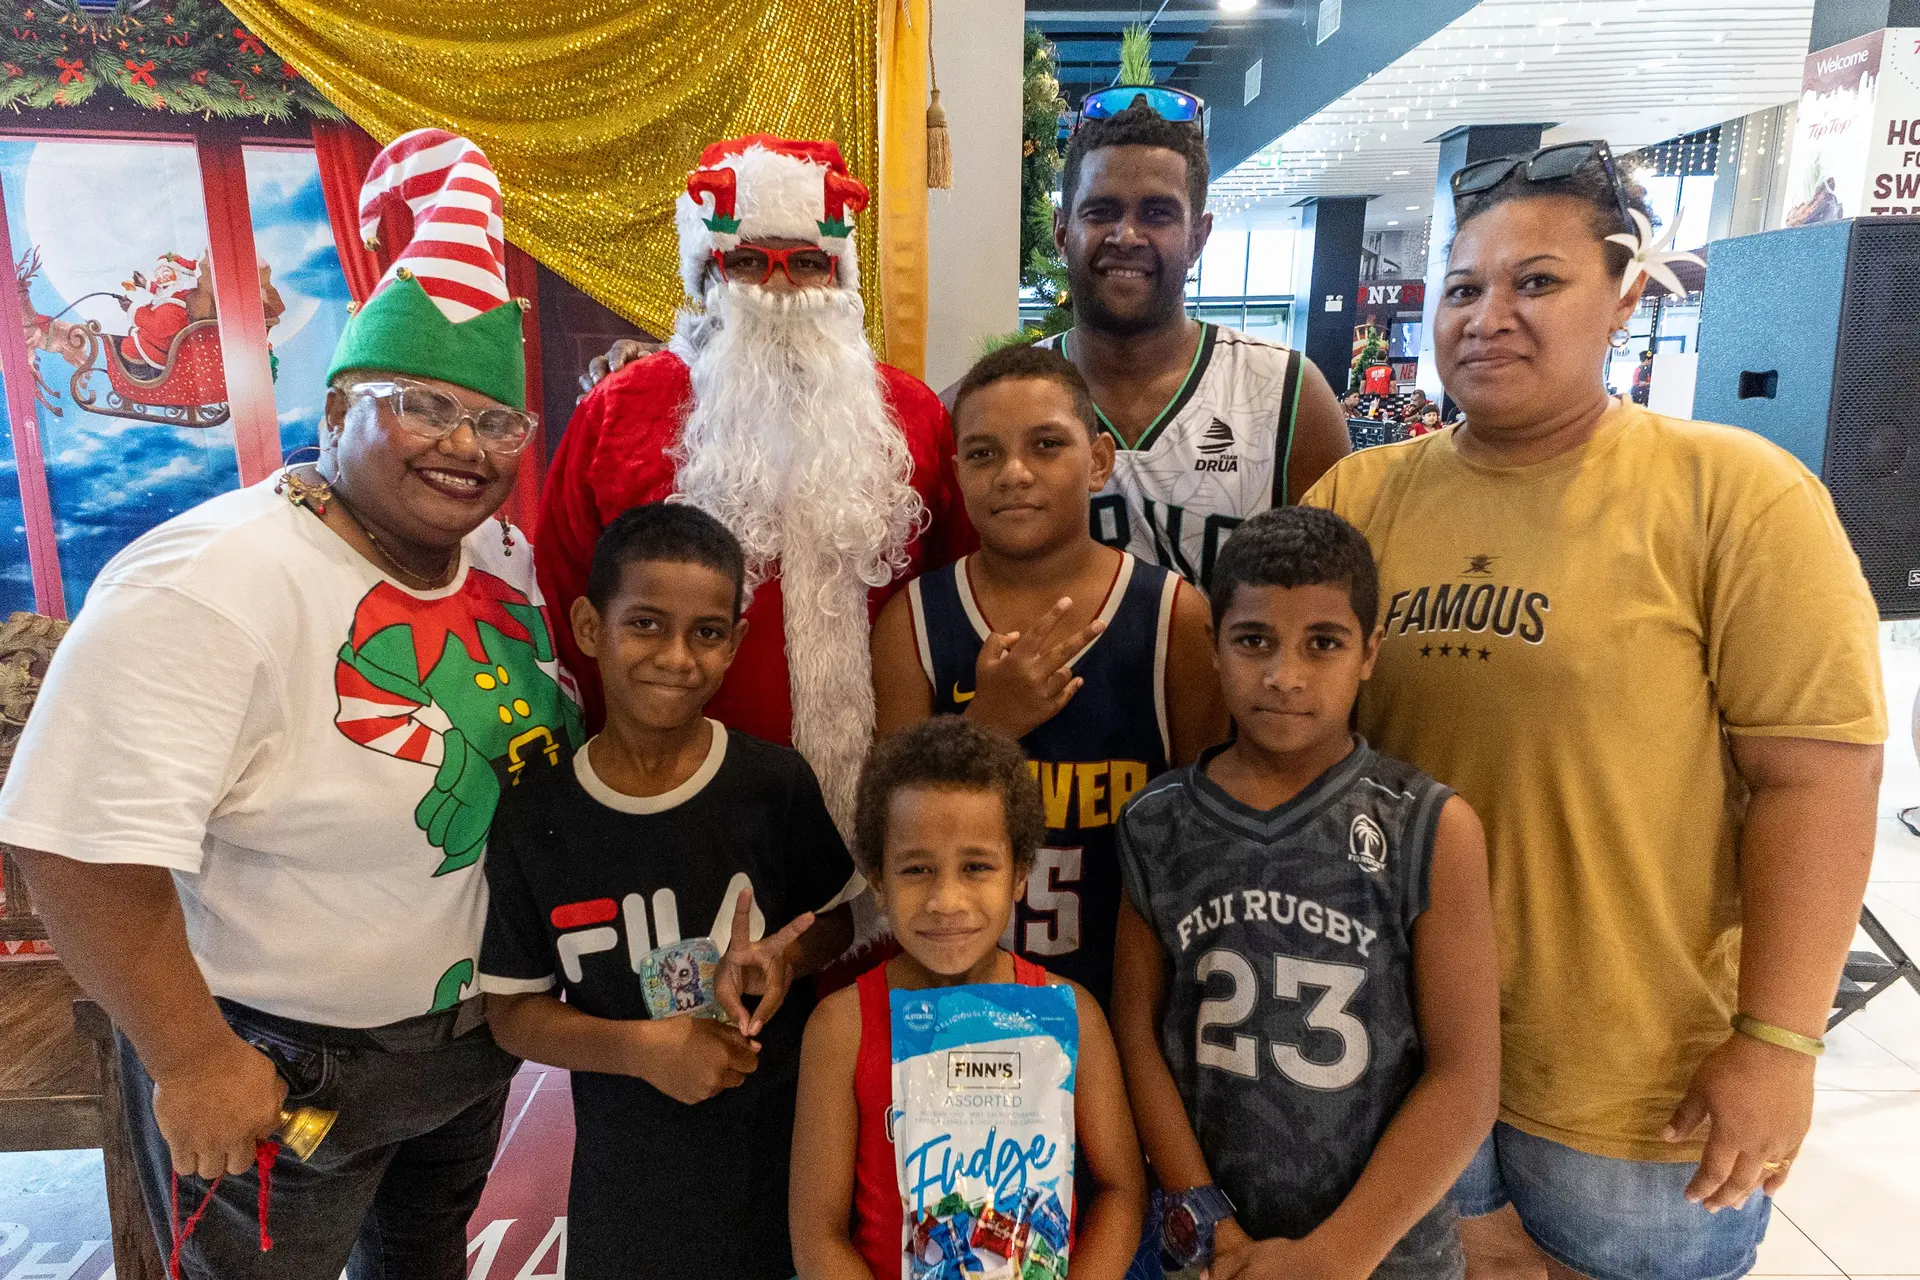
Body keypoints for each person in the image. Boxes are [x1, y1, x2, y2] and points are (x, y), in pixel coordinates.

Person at [0, 129, 578, 1277]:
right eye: (422, 404)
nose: (465, 446)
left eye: (496, 421)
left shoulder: (500, 559)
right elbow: (70, 843)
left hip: (462, 1052)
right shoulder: (211, 582)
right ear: (343, 400)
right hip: (278, 1068)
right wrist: (193, 1057)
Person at [1306, 140, 1886, 1280]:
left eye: (1537, 282)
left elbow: (1818, 778)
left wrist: (1777, 1041)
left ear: (1622, 296)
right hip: (1401, 1051)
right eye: (1464, 288)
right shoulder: (1360, 495)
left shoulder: (1738, 493)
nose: (1490, 315)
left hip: (1632, 1085)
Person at [537, 133, 972, 840]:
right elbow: (562, 615)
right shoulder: (618, 414)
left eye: (806, 264)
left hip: (891, 816)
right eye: (748, 263)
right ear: (707, 276)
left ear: (842, 278)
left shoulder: (914, 418)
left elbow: (957, 600)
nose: (777, 289)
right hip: (669, 817)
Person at [1110, 507, 1499, 1279]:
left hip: (1386, 1255)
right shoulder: (1157, 823)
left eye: (1323, 643)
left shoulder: (1430, 825)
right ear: (1215, 649)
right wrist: (1206, 1215)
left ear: (1368, 654)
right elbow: (1139, 1035)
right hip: (1209, 1247)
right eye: (1254, 641)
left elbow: (1466, 1080)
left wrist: (1337, 1254)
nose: (1285, 676)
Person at [480, 502, 860, 1279]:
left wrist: (788, 960)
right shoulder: (536, 812)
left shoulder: (772, 782)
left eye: (707, 633)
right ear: (591, 627)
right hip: (630, 1179)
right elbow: (513, 1014)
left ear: (735, 645)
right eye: (646, 624)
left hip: (781, 1159)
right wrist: (640, 1049)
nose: (676, 656)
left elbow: (836, 919)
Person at [871, 344, 1225, 1007]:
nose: (1013, 473)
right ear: (956, 473)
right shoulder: (912, 620)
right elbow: (893, 827)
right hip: (959, 991)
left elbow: (1204, 837)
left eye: (1045, 445)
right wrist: (986, 725)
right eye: (982, 453)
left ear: (1098, 461)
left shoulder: (1174, 617)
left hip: (1131, 993)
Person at [790, 717, 1148, 1280]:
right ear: (878, 880)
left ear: (1020, 875)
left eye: (976, 867)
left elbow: (1123, 1191)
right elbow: (817, 1236)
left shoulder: (1069, 1012)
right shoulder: (842, 1027)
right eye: (916, 869)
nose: (946, 900)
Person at [1035, 101, 1351, 591]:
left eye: (1157, 214)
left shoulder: (1289, 395)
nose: (1127, 235)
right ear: (1062, 230)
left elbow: (1332, 609)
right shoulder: (1006, 399)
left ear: (1198, 237)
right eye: (1101, 211)